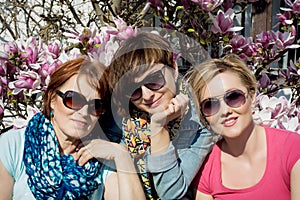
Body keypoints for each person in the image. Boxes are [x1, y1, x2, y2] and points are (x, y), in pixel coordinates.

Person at [0, 57, 145, 199]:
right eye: (73, 99)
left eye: (96, 106)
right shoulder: (14, 145)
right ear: (51, 99)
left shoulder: (99, 158)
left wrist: (122, 156)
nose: (83, 112)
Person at [107, 31, 216, 199]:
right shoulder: (123, 121)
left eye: (154, 80)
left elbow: (171, 194)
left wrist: (159, 127)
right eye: (134, 89)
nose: (147, 95)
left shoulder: (200, 123)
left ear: (173, 69)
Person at [187, 54, 300, 199]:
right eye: (210, 104)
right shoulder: (206, 166)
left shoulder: (291, 148)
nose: (225, 111)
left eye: (234, 96)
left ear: (252, 97)